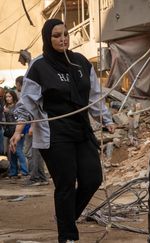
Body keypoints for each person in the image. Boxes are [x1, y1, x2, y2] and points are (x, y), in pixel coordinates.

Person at [9, 19, 115, 243]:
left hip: (81, 130)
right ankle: (67, 236)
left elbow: (94, 96)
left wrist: (106, 119)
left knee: (92, 178)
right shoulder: (39, 67)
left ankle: (66, 217)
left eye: (65, 34)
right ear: (48, 38)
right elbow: (27, 102)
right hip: (54, 134)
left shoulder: (81, 63)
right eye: (57, 35)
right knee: (66, 183)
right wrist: (18, 130)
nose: (63, 38)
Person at [4, 90, 28, 178]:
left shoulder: (18, 106)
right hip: (9, 133)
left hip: (19, 132)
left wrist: (21, 132)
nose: (8, 98)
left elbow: (23, 118)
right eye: (6, 96)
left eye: (10, 96)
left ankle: (24, 171)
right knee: (11, 152)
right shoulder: (5, 107)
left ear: (13, 97)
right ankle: (13, 172)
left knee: (18, 151)